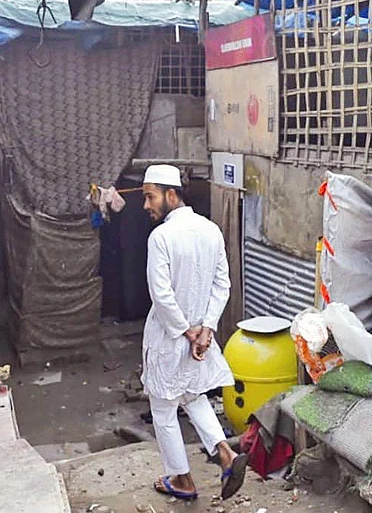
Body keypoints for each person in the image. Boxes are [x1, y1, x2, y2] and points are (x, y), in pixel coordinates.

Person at [140, 164, 248, 501]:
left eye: (150, 196)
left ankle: (183, 480)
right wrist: (207, 329)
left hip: (170, 338)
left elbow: (161, 295)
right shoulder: (211, 229)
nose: (146, 205)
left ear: (171, 195)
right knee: (193, 396)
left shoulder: (160, 237)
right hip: (199, 338)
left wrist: (187, 332)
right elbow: (222, 285)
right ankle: (226, 455)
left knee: (163, 409)